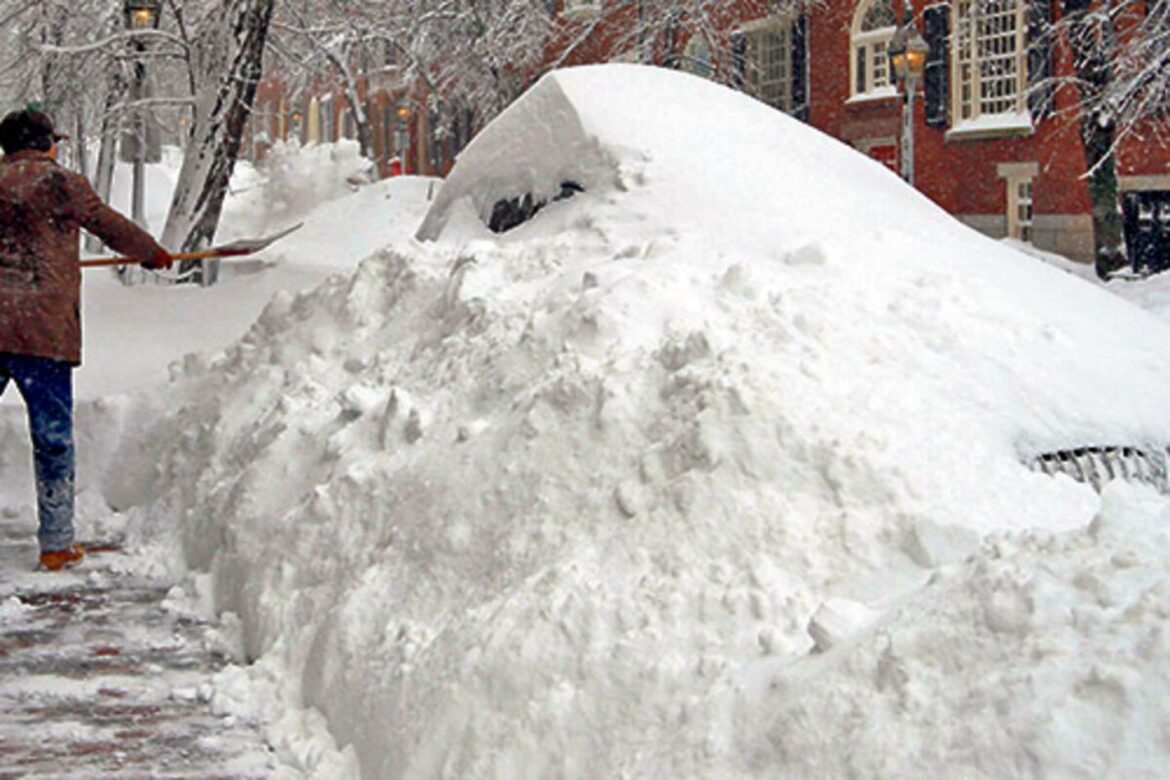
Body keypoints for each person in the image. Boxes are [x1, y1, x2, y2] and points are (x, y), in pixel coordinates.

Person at [0, 108, 172, 571]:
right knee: (52, 436)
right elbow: (106, 224)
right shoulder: (60, 184)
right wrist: (151, 252)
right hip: (41, 330)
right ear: (42, 143)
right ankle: (56, 543)